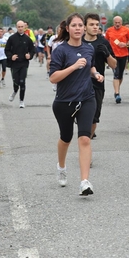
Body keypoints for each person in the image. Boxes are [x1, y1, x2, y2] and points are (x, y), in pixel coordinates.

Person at [49, 13, 104, 196]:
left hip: (87, 98)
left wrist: (95, 74)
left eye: (81, 25)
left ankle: (84, 182)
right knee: (66, 138)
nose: (78, 28)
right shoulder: (60, 50)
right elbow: (53, 78)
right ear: (68, 28)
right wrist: (73, 67)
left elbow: (90, 66)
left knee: (85, 138)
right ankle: (62, 167)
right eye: (74, 25)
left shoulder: (89, 49)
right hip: (64, 101)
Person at [82, 13, 117, 140]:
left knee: (93, 117)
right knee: (81, 117)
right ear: (85, 27)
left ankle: (86, 142)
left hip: (97, 85)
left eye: (97, 25)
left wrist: (107, 54)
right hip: (79, 84)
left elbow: (114, 65)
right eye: (91, 24)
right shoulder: (79, 41)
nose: (95, 27)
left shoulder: (103, 42)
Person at [4, 20, 35, 108]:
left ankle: (21, 101)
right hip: (14, 64)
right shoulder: (12, 38)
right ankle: (14, 91)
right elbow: (7, 50)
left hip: (24, 63)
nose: (20, 28)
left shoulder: (27, 39)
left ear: (24, 27)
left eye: (22, 27)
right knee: (16, 81)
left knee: (22, 82)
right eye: (19, 27)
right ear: (16, 27)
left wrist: (30, 55)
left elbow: (32, 50)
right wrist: (11, 56)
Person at [105, 16, 129, 103]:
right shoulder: (109, 30)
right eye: (116, 22)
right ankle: (117, 93)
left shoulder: (126, 30)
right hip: (112, 55)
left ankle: (117, 89)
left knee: (120, 75)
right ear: (113, 22)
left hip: (123, 55)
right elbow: (105, 41)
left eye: (119, 23)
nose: (117, 24)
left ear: (121, 23)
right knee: (116, 73)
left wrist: (125, 44)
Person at [48, 21, 66, 92]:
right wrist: (49, 54)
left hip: (62, 56)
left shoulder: (65, 38)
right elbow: (49, 46)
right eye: (59, 30)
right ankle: (55, 83)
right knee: (56, 70)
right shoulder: (53, 37)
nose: (60, 31)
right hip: (54, 56)